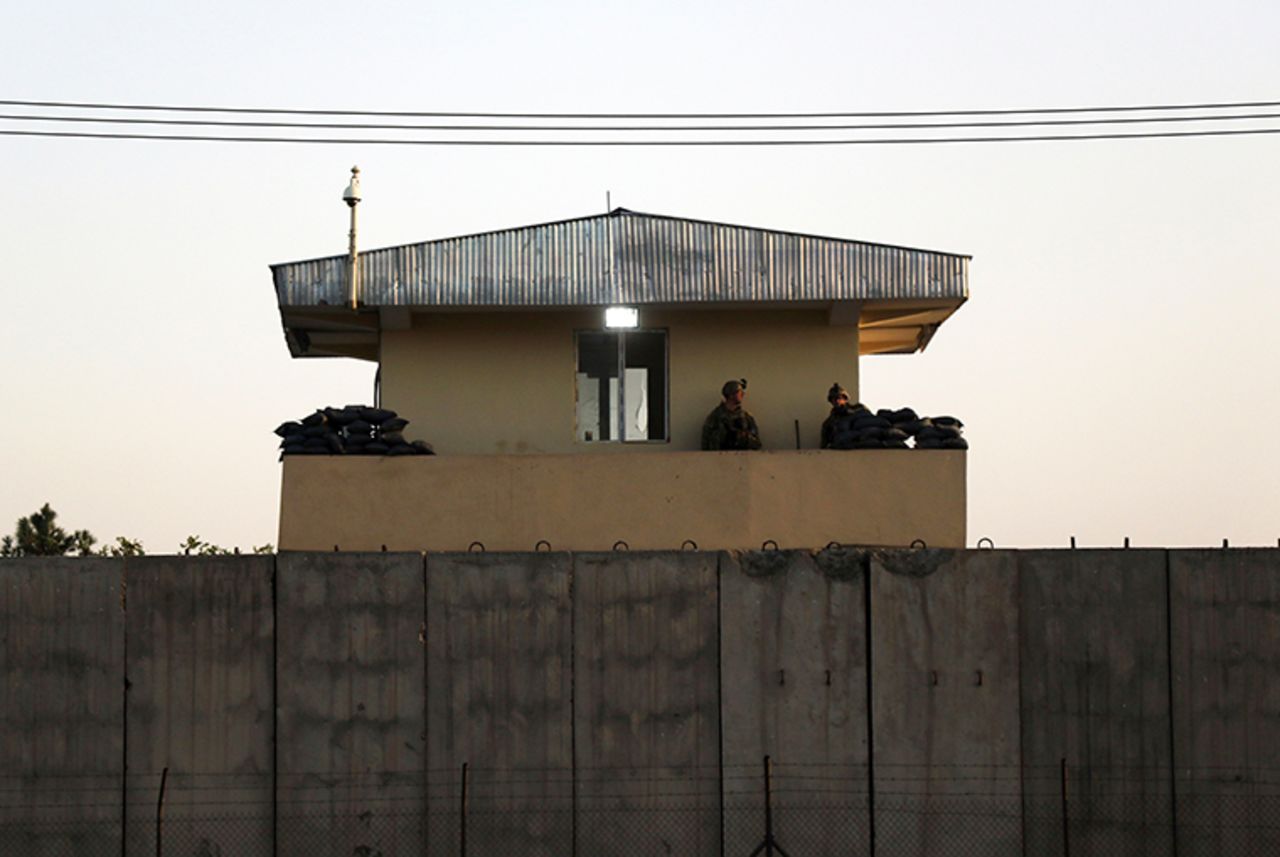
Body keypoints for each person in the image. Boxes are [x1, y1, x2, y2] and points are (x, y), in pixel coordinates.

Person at [701, 378, 762, 450]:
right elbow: (705, 444)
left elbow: (757, 444)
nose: (743, 394)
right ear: (731, 395)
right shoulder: (715, 417)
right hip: (719, 459)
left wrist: (743, 437)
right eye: (740, 392)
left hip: (743, 459)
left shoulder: (746, 417)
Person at [821, 382, 852, 449]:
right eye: (834, 399)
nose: (837, 401)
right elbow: (824, 445)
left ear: (845, 399)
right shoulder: (829, 422)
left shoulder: (856, 411)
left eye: (839, 398)